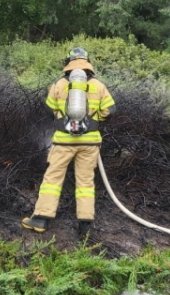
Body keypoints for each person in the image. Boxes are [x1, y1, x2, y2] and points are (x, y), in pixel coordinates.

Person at [21, 47, 116, 238]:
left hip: (63, 142)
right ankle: (85, 226)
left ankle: (40, 219)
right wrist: (93, 120)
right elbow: (111, 110)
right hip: (90, 143)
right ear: (88, 62)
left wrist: (61, 116)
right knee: (85, 183)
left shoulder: (59, 84)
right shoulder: (98, 85)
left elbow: (48, 108)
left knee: (52, 180)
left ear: (68, 63)